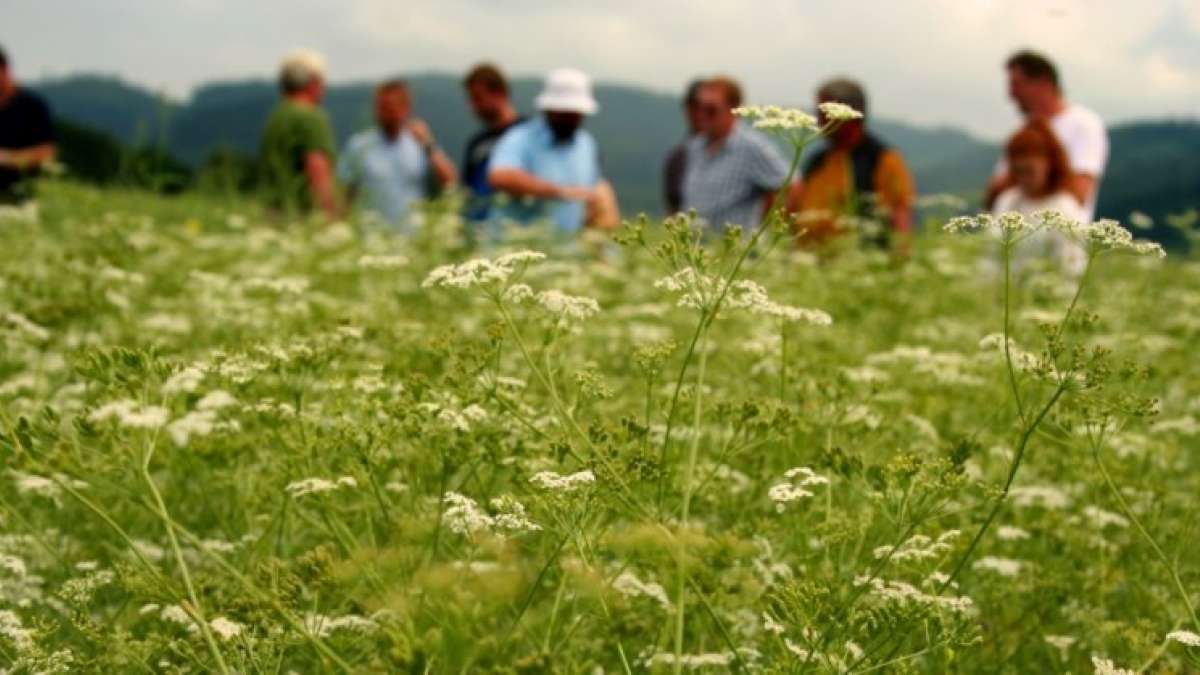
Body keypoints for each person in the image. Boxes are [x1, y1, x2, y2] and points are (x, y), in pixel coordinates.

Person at [488, 67, 618, 234]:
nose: (570, 119)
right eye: (564, 113)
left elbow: (593, 189)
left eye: (575, 113)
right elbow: (500, 177)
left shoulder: (586, 144)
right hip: (517, 243)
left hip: (566, 246)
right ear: (548, 109)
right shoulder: (519, 138)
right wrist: (558, 192)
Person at [986, 50, 1108, 222]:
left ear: (1043, 83)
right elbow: (993, 196)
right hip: (1014, 235)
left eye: (1016, 84)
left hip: (1061, 233)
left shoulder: (1084, 124)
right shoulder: (1023, 131)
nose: (1011, 94)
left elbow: (1079, 193)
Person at [794, 78, 915, 248]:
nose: (818, 121)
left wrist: (902, 252)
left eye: (824, 112)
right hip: (808, 259)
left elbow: (900, 213)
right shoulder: (817, 160)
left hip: (859, 257)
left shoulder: (883, 159)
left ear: (848, 114)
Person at [680, 76, 798, 233]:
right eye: (699, 108)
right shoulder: (695, 146)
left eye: (711, 110)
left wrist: (765, 226)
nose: (702, 115)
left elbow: (791, 186)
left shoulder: (752, 146)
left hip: (734, 244)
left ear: (733, 108)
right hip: (695, 243)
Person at [337, 79, 456, 230]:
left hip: (415, 236)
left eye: (389, 107)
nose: (383, 113)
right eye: (380, 107)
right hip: (371, 236)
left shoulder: (420, 143)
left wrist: (428, 144)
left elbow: (450, 180)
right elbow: (345, 195)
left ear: (406, 108)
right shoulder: (359, 146)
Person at [992, 119, 1086, 274]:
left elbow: (1072, 268)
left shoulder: (1064, 207)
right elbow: (990, 255)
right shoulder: (1007, 200)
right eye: (1017, 171)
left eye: (1029, 171)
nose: (1023, 179)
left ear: (1049, 164)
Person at [259, 49, 339, 219]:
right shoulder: (310, 117)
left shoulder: (276, 117)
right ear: (313, 83)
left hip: (273, 215)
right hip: (302, 216)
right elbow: (318, 171)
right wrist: (330, 218)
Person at [461, 63, 523, 223]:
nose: (473, 107)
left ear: (500, 93)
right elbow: (466, 191)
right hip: (478, 229)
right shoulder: (476, 144)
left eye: (478, 98)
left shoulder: (527, 135)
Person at [0, 46, 56, 204]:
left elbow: (46, 153)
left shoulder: (32, 106)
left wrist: (6, 158)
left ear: (5, 70)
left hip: (21, 197)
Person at [663, 79, 705, 214]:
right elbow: (672, 208)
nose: (699, 114)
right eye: (693, 107)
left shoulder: (738, 151)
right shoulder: (677, 157)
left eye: (705, 108)